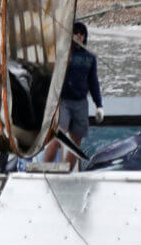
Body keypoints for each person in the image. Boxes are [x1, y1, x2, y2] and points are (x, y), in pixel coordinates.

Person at [44, 21, 104, 169]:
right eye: (75, 32)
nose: (78, 35)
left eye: (81, 33)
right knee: (58, 136)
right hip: (62, 101)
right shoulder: (61, 53)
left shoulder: (90, 57)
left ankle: (66, 171)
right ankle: (44, 167)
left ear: (85, 37)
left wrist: (99, 105)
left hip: (81, 102)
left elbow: (93, 82)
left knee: (76, 141)